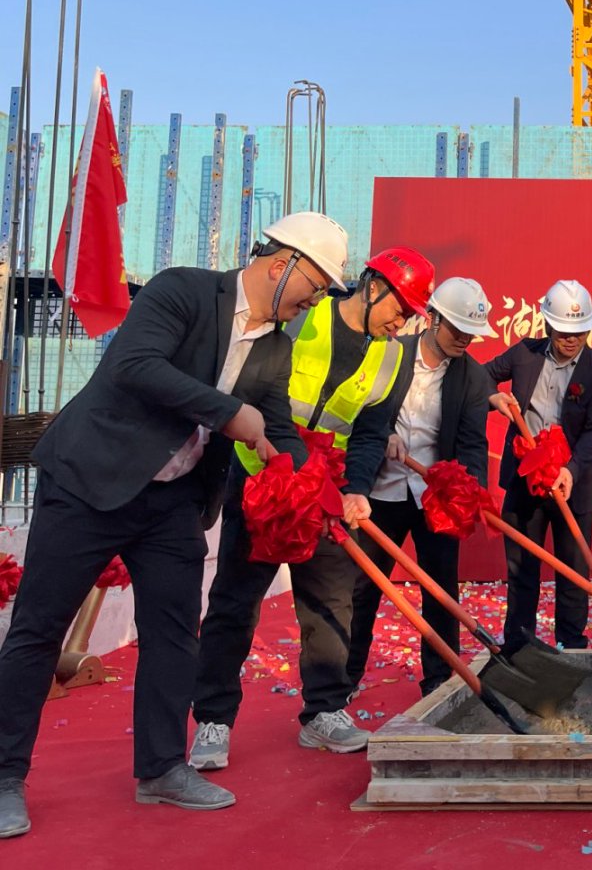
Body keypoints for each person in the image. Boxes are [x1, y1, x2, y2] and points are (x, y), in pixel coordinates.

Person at [0, 211, 349, 836]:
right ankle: (4, 777)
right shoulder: (182, 290)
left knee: (174, 633)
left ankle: (161, 768)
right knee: (38, 630)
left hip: (174, 501)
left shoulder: (275, 347)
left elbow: (275, 426)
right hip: (91, 481)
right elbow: (135, 365)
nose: (315, 302)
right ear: (283, 264)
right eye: (315, 287)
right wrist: (228, 412)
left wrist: (314, 485)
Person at [189, 245, 435, 770]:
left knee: (331, 600)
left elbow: (370, 432)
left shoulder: (394, 356)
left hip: (328, 488)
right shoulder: (304, 315)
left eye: (412, 315)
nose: (402, 322)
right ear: (373, 286)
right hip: (262, 475)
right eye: (400, 309)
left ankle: (324, 710)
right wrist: (276, 463)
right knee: (235, 602)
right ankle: (213, 719)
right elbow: (250, 388)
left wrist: (357, 489)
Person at [344, 277, 498, 697]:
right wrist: (383, 434)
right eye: (458, 329)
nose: (464, 340)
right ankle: (344, 679)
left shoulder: (472, 378)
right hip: (381, 490)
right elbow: (357, 411)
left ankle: (439, 681)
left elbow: (472, 443)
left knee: (440, 589)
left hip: (435, 498)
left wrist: (471, 491)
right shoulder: (390, 354)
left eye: (471, 333)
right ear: (433, 319)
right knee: (362, 588)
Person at [486, 280, 592, 650]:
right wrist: (492, 396)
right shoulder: (524, 354)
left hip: (571, 484)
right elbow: (479, 376)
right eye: (563, 331)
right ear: (547, 324)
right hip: (525, 480)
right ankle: (519, 646)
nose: (571, 339)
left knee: (573, 573)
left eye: (579, 331)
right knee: (522, 569)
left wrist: (570, 470)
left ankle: (571, 646)